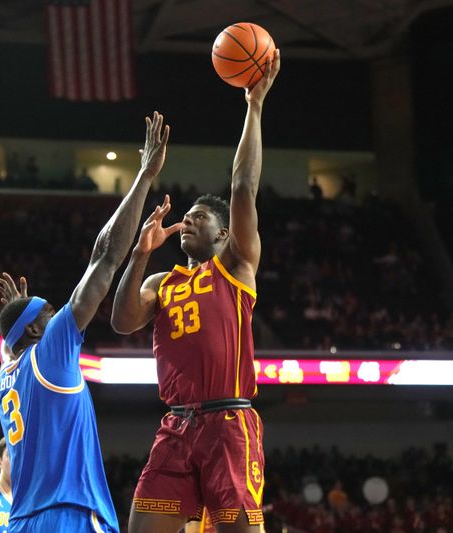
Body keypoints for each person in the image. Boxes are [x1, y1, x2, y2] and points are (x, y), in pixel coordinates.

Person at [111, 50, 280, 533]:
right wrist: (140, 252)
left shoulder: (236, 266)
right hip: (176, 426)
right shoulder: (160, 282)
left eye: (200, 217)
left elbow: (243, 185)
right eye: (187, 216)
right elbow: (122, 321)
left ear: (224, 235)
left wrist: (254, 106)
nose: (188, 220)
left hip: (230, 425)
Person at [0, 112, 171, 532]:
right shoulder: (49, 352)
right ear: (38, 331)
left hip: (22, 521)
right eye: (51, 315)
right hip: (67, 513)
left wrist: (19, 314)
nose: (62, 319)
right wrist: (144, 176)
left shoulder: (5, 376)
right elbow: (105, 257)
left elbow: (10, 339)